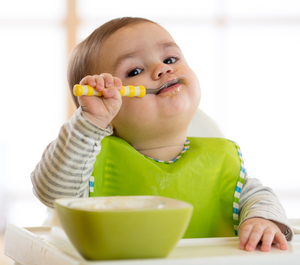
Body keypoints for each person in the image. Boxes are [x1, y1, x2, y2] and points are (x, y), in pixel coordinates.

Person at [31, 17, 293, 252]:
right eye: (134, 71)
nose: (162, 69)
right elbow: (52, 194)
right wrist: (90, 122)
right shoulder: (89, 167)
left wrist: (262, 221)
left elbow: (261, 198)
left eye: (170, 59)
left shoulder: (222, 162)